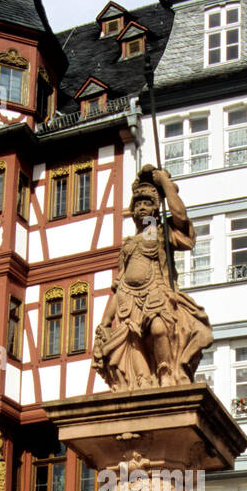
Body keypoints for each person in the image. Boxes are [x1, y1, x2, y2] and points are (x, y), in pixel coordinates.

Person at [93, 164, 213, 390]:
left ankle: (165, 370)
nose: (141, 208)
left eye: (147, 203)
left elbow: (180, 217)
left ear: (156, 208)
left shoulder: (158, 232)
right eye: (137, 204)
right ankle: (143, 380)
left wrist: (166, 185)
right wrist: (106, 321)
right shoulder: (129, 244)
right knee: (133, 342)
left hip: (156, 293)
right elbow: (120, 286)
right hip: (129, 300)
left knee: (159, 328)